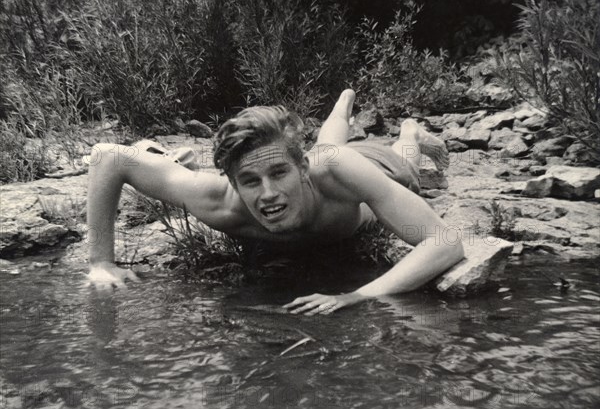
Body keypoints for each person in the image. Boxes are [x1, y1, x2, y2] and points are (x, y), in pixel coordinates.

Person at [86, 89, 464, 315]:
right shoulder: (219, 202)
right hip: (325, 160)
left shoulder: (333, 172)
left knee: (401, 166)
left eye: (279, 174)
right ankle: (343, 104)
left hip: (369, 168)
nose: (267, 194)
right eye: (250, 181)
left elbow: (444, 242)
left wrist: (356, 296)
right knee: (330, 147)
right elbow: (108, 156)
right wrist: (101, 262)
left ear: (300, 167)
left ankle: (410, 130)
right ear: (231, 180)